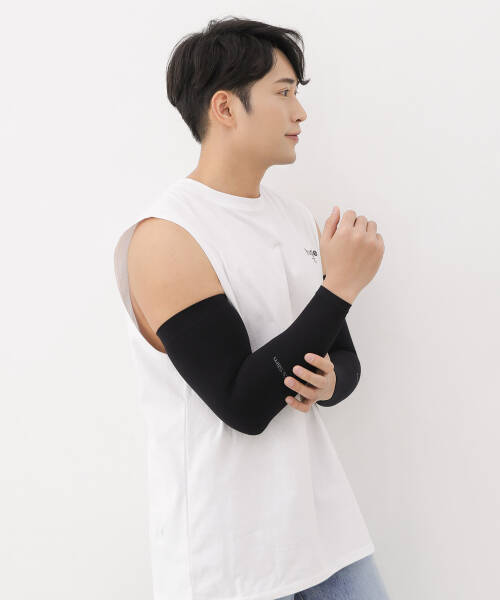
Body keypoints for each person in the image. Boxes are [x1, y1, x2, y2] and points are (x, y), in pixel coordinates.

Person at [113, 16, 387, 600]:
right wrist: (341, 286)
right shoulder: (167, 236)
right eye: (283, 93)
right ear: (225, 107)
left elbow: (342, 358)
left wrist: (330, 381)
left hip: (327, 538)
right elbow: (242, 403)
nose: (300, 113)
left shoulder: (294, 217)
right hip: (229, 564)